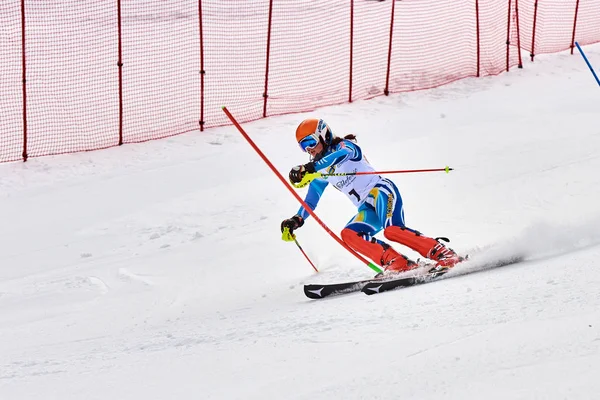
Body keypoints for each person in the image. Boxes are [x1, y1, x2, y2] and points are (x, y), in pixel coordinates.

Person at [280, 118, 462, 274]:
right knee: (349, 234)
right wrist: (296, 220)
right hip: (366, 208)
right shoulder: (320, 171)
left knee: (392, 230)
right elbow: (311, 200)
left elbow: (343, 154)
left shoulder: (345, 146)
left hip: (381, 192)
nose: (309, 150)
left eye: (310, 142)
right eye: (303, 147)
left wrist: (311, 167)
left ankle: (442, 253)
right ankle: (398, 263)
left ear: (323, 135)